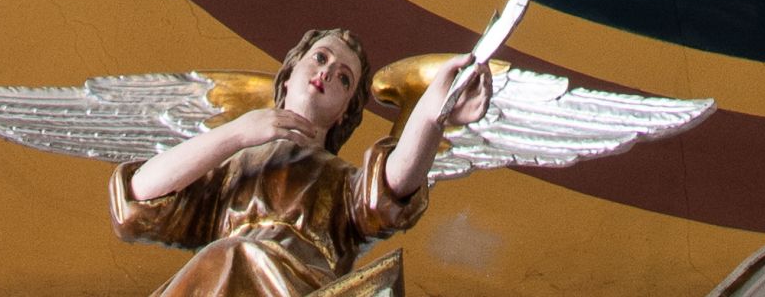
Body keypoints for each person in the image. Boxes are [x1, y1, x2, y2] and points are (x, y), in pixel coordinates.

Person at [109, 24, 492, 297]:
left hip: (297, 287)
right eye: (320, 58)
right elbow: (138, 198)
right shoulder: (235, 168)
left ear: (344, 112)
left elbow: (395, 183)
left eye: (344, 79)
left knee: (236, 254)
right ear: (289, 74)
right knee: (229, 254)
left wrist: (432, 113)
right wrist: (238, 133)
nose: (327, 72)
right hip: (219, 280)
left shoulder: (342, 182)